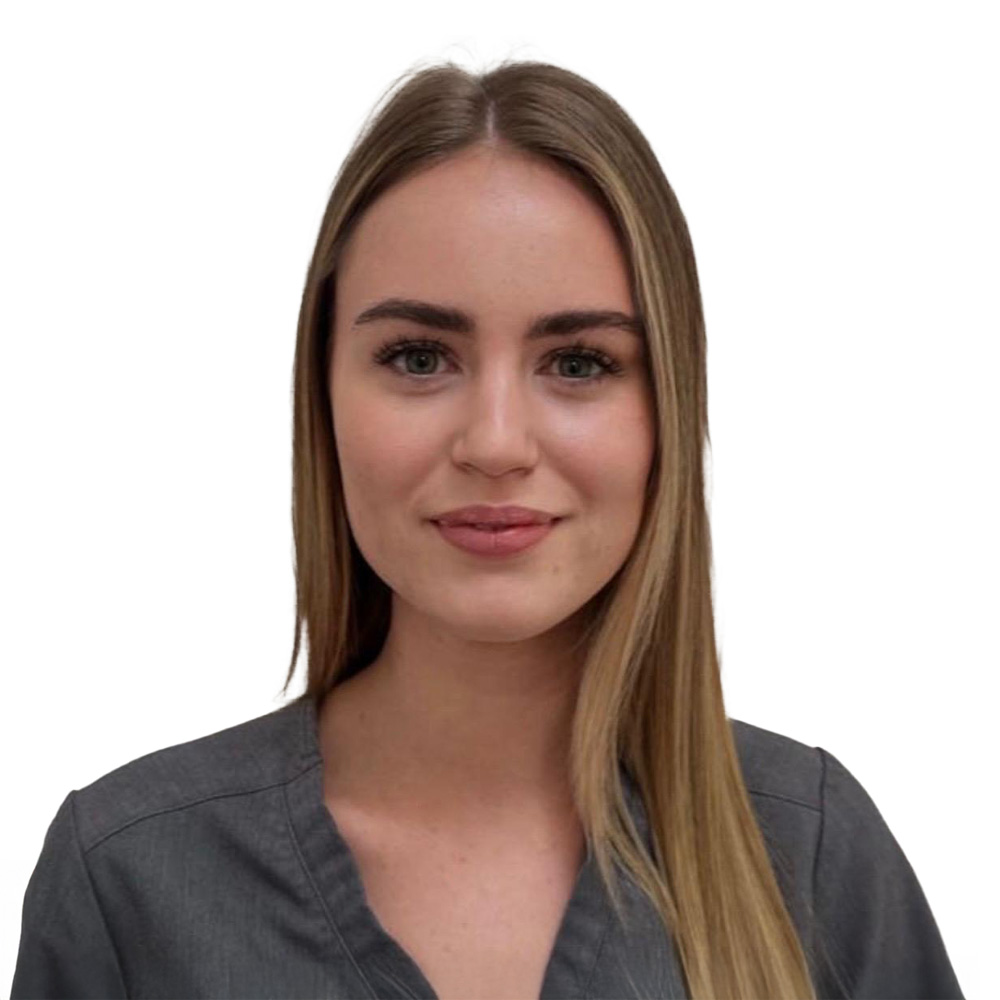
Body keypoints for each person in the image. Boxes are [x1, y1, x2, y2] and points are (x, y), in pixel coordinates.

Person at [10, 59, 964, 1000]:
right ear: (322, 396)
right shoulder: (131, 880)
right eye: (419, 357)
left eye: (579, 363)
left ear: (668, 410)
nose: (497, 443)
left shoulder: (812, 854)